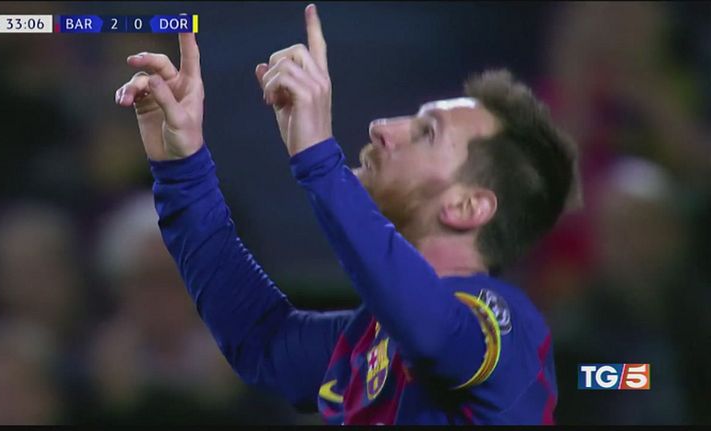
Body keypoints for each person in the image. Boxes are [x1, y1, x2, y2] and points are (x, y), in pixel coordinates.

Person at [114, 4, 579, 425]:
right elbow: (261, 341)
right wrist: (182, 166)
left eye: (427, 133)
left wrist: (319, 158)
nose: (382, 128)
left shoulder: (506, 330)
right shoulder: (367, 339)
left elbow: (434, 332)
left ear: (467, 206)